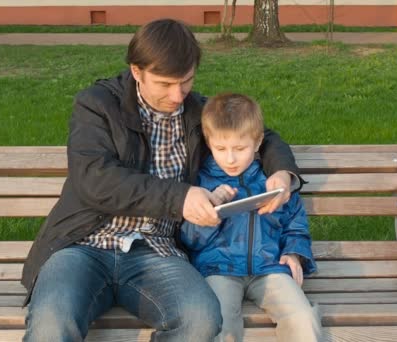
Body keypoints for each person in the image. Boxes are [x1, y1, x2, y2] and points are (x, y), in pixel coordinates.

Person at [21, 19, 303, 342]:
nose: (177, 94)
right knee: (51, 324)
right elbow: (94, 178)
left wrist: (283, 172)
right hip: (83, 246)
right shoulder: (98, 105)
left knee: (201, 319)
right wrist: (180, 199)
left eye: (186, 81)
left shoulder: (197, 111)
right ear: (137, 72)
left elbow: (263, 138)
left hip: (157, 251)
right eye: (165, 83)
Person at [180, 93, 321, 342]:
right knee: (219, 326)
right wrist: (212, 211)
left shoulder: (272, 181)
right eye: (220, 149)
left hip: (269, 268)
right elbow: (189, 239)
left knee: (302, 317)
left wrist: (294, 253)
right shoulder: (202, 183)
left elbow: (295, 223)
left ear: (257, 143)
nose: (230, 158)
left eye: (240, 148)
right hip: (218, 270)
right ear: (208, 142)